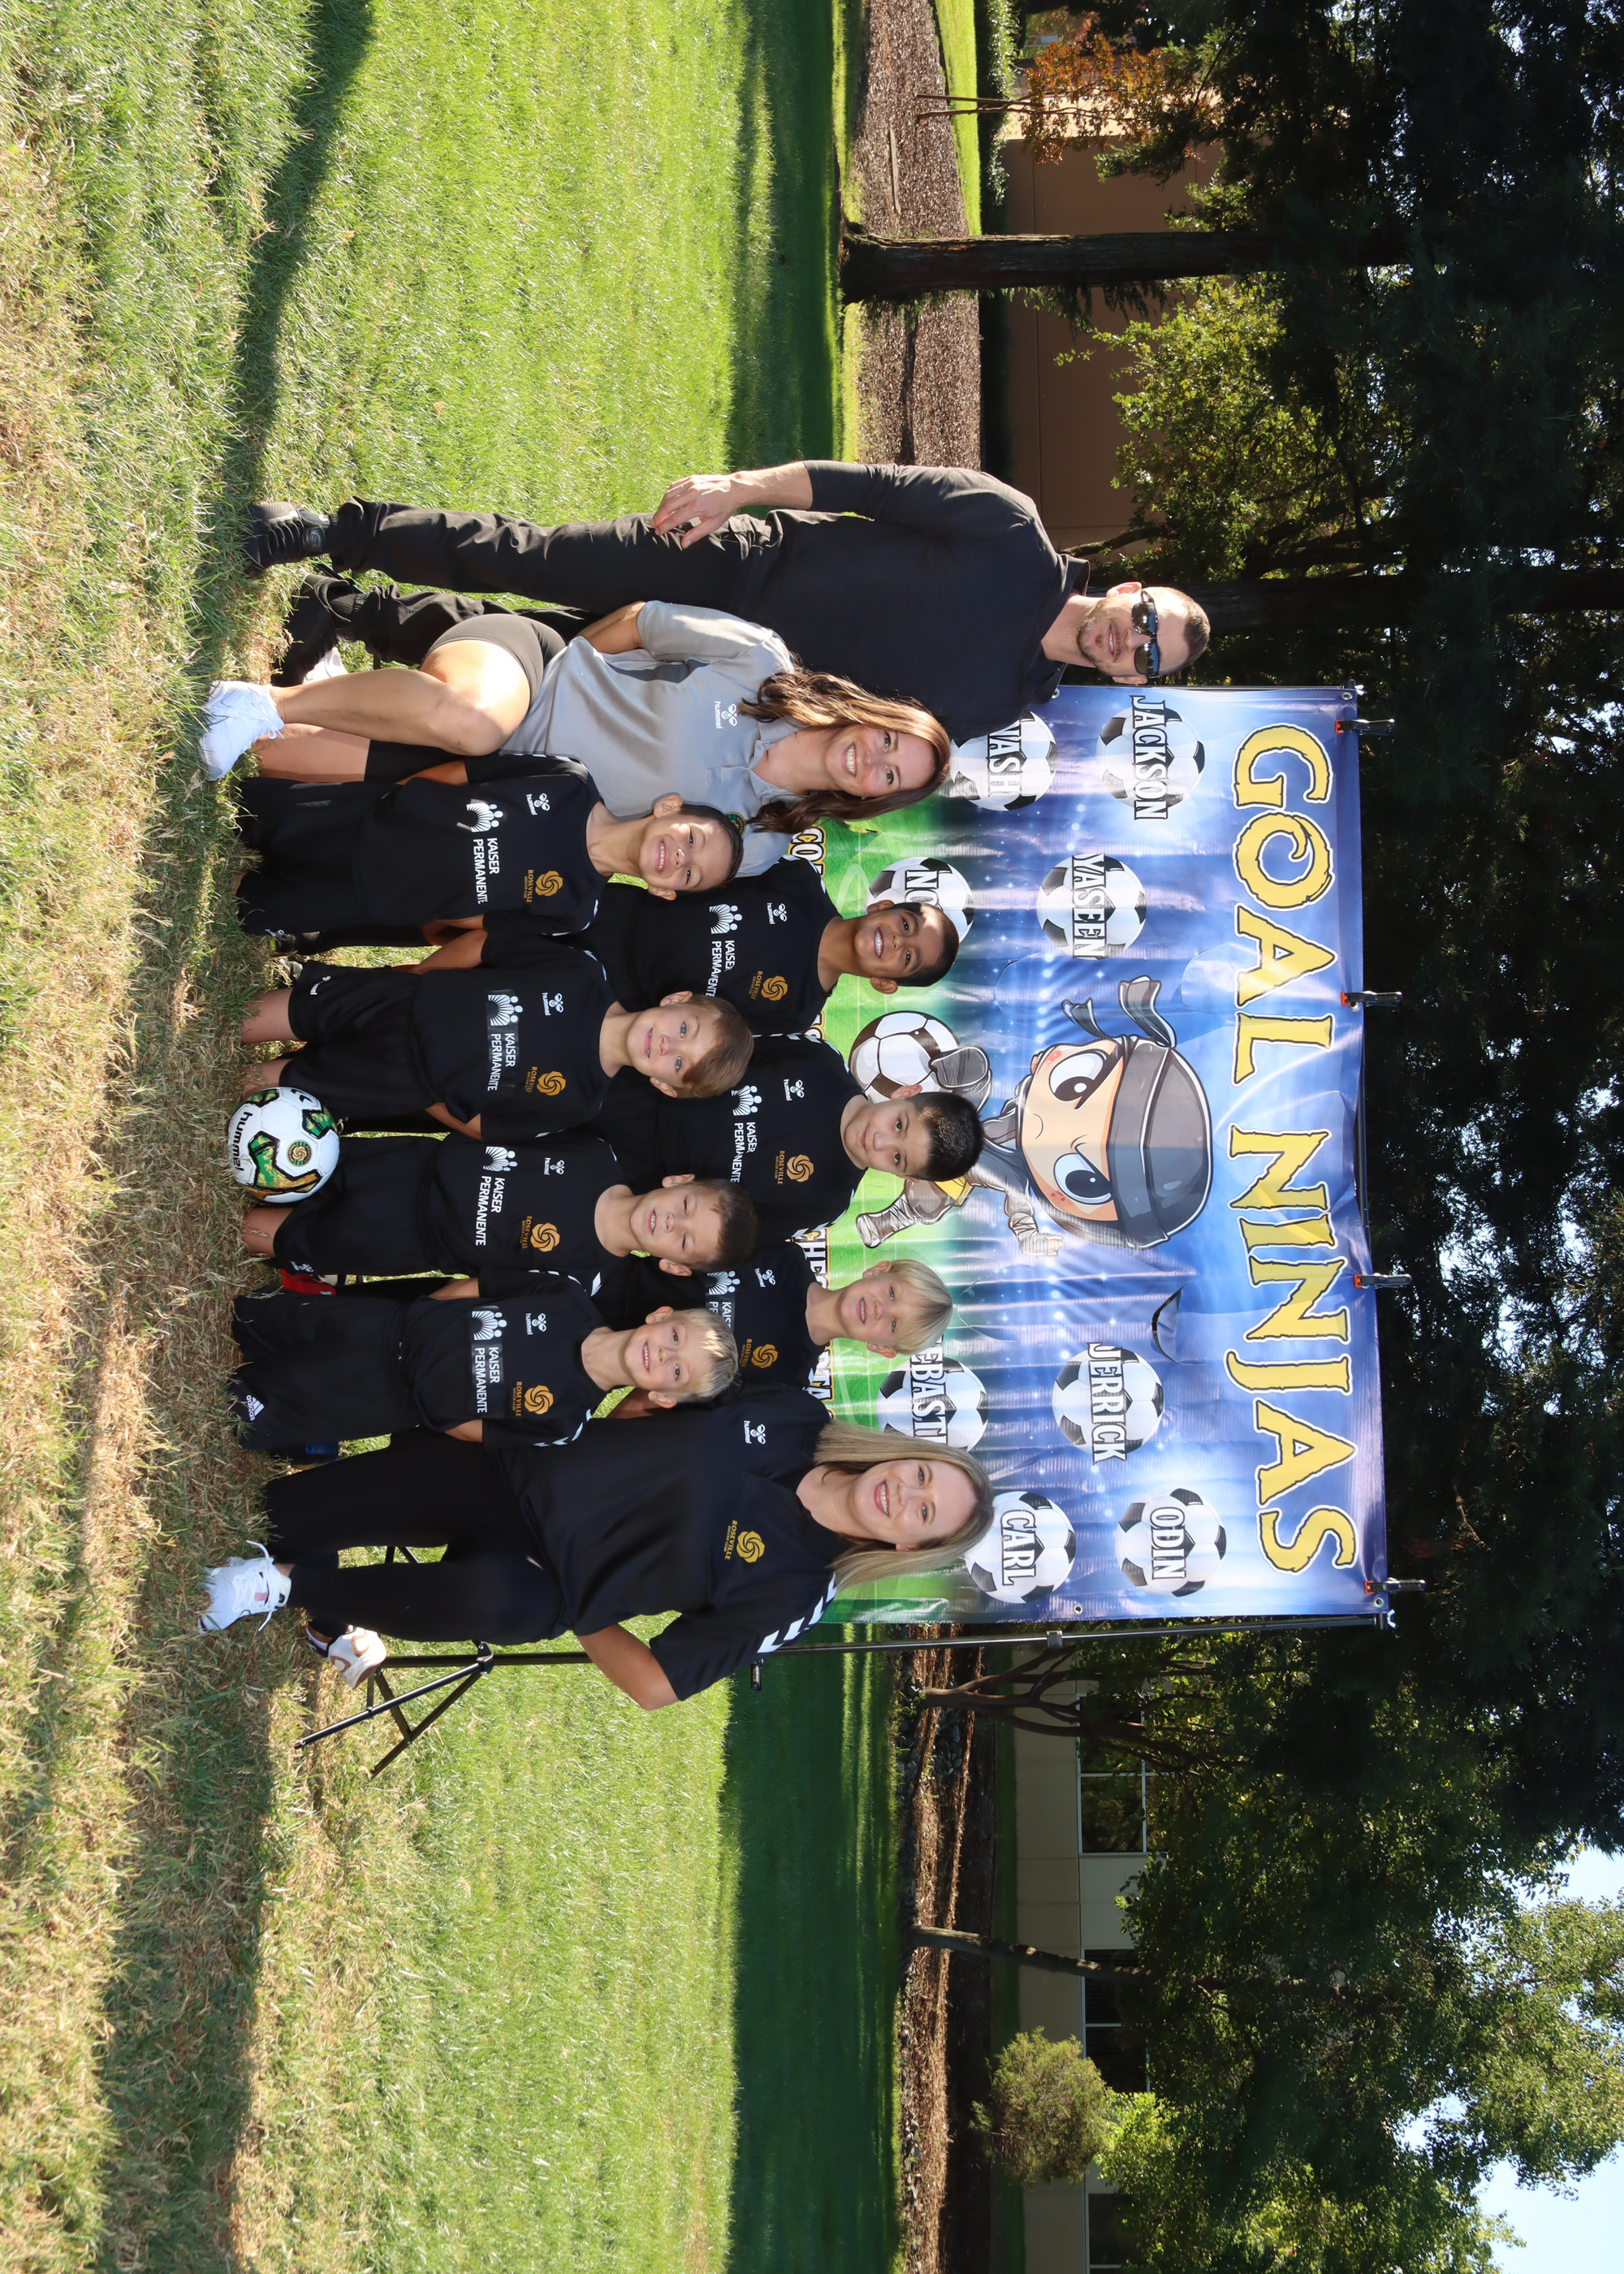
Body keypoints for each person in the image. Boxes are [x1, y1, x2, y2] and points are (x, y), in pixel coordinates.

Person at [241, 463, 1212, 741]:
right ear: (1128, 589)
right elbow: (865, 486)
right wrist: (738, 491)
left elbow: (861, 725)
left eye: (1146, 655)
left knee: (545, 658)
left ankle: (346, 611)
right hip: (735, 570)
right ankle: (330, 532)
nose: (1127, 640)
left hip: (726, 678)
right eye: (1144, 619)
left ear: (1135, 680)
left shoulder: (1007, 702)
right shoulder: (1010, 528)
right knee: (534, 560)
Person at [197, 1391, 994, 1700]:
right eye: (921, 1474)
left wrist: (584, 1599)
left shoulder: (795, 1593)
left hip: (539, 1579)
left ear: (904, 1546)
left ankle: (286, 1586)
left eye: (922, 1513)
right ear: (905, 1452)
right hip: (509, 1472)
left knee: (494, 1602)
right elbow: (664, 1397)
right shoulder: (796, 1416)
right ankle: (310, 1572)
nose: (905, 1493)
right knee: (276, 1511)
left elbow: (656, 1683)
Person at [198, 600, 951, 883]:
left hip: (505, 787)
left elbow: (631, 856)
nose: (874, 759)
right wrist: (571, 671)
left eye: (890, 776)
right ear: (873, 715)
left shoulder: (760, 844)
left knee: (277, 763)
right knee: (474, 721)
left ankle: (336, 699)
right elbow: (638, 623)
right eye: (889, 741)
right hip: (524, 679)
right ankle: (262, 700)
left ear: (870, 799)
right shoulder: (761, 662)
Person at [240, 940, 754, 1140]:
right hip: (398, 1002)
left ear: (665, 1086)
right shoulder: (582, 973)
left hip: (400, 1080)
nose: (668, 1047)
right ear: (677, 1000)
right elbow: (487, 946)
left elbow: (488, 1127)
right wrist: (419, 979)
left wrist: (428, 1094)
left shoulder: (580, 1102)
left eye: (679, 1064)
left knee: (263, 1086)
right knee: (250, 1018)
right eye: (683, 1030)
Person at [233, 754, 742, 942]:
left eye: (691, 875)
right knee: (240, 812)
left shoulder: (575, 911)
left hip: (373, 896)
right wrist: (401, 798)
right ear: (668, 807)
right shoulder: (570, 781)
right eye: (692, 839)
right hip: (366, 820)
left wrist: (424, 899)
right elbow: (468, 773)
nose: (683, 858)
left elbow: (483, 920)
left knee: (246, 908)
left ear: (664, 892)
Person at [228, 1275, 736, 1453]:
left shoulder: (566, 1420)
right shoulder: (567, 1296)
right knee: (251, 1320)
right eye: (674, 1338)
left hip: (389, 1398)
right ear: (660, 1315)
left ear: (662, 1396)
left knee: (243, 1411)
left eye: (676, 1371)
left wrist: (429, 1406)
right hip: (384, 1326)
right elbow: (482, 1287)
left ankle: (255, 1403)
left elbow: (484, 1432)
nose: (664, 1354)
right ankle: (258, 1327)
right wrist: (423, 1317)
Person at [243, 1129, 759, 1286]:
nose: (671, 1221)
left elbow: (483, 1289)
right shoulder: (596, 1151)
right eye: (686, 1205)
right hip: (408, 1164)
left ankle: (261, 1232)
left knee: (256, 1228)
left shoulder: (583, 1280)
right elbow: (502, 1125)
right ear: (679, 1180)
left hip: (404, 1240)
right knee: (278, 1166)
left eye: (683, 1239)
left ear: (673, 1265)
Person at [590, 1033, 983, 1239]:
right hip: (628, 1092)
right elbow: (723, 1047)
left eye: (897, 1158)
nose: (880, 1142)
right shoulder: (820, 1062)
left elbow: (727, 1238)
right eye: (898, 1125)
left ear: (904, 1177)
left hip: (622, 1182)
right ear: (905, 1093)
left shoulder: (826, 1204)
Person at [579, 867, 958, 1035]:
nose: (897, 941)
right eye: (905, 925)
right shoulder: (800, 882)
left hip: (610, 997)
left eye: (908, 958)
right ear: (882, 906)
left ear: (884, 983)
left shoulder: (796, 1014)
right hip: (612, 911)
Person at [600, 1245, 954, 1389]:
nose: (880, 1309)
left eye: (892, 1324)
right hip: (604, 1279)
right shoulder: (785, 1257)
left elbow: (673, 1403)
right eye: (891, 1294)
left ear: (881, 1348)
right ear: (878, 1270)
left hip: (602, 1367)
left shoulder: (789, 1379)